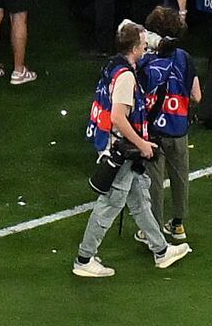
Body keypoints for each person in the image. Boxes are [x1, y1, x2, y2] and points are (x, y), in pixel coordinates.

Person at [72, 28, 183, 279]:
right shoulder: (126, 78)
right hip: (121, 148)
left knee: (140, 199)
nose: (147, 47)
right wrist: (142, 145)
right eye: (144, 44)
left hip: (118, 147)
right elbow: (119, 118)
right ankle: (84, 258)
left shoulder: (115, 65)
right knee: (110, 204)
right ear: (134, 48)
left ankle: (161, 250)